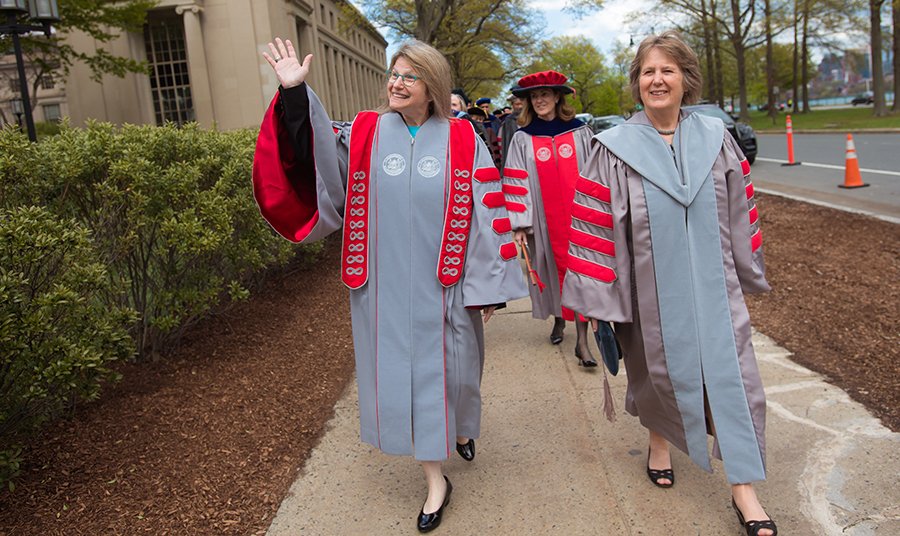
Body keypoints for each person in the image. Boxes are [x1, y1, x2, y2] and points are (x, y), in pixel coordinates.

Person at [253, 37, 527, 533]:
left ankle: (459, 428)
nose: (397, 83)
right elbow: (312, 153)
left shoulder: (464, 139)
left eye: (410, 76)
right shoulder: (365, 133)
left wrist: (489, 284)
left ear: (432, 87)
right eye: (394, 74)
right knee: (412, 379)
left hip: (446, 283)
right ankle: (436, 479)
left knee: (459, 375)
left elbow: (489, 213)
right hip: (383, 289)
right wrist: (296, 93)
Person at [560, 31, 776, 536]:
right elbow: (595, 227)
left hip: (715, 291)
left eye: (668, 70)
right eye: (648, 71)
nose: (657, 80)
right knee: (655, 372)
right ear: (637, 83)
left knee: (736, 380)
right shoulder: (612, 150)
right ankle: (660, 439)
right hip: (648, 294)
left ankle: (744, 487)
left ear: (686, 80)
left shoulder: (715, 140)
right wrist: (598, 296)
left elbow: (742, 209)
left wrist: (748, 267)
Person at [502, 71, 597, 367]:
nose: (539, 100)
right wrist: (518, 223)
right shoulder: (522, 139)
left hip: (578, 218)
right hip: (541, 221)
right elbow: (515, 179)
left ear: (558, 97)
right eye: (534, 96)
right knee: (551, 270)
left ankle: (582, 343)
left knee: (578, 272)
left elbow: (596, 173)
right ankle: (559, 319)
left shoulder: (581, 132)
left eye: (545, 94)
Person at [498, 85, 524, 170]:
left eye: (522, 103)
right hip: (514, 160)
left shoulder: (534, 118)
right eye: (517, 104)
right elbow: (503, 143)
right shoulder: (508, 122)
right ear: (512, 105)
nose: (520, 107)